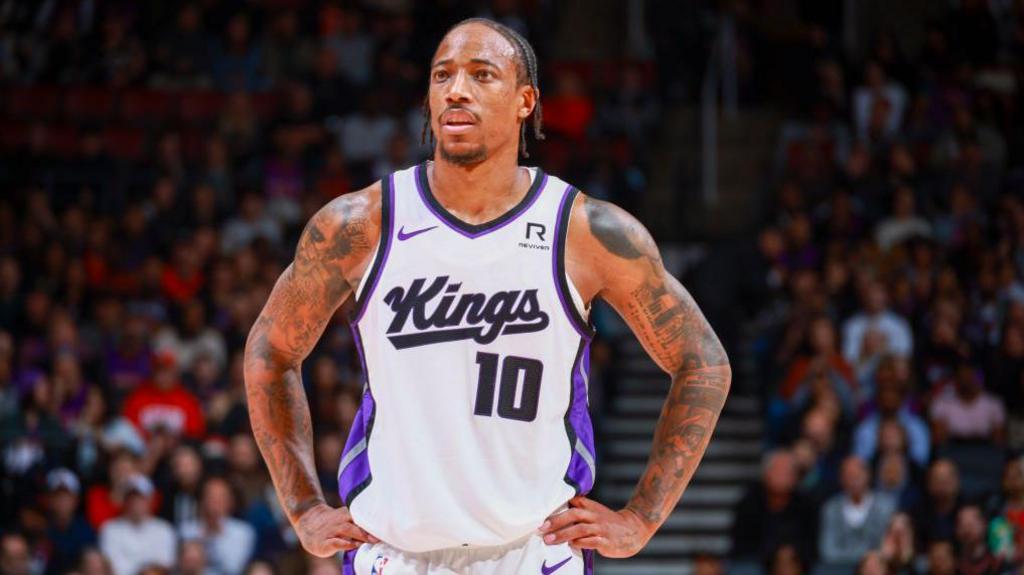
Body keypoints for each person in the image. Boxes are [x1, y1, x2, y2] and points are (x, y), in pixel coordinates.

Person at [244, 17, 730, 574]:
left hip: (533, 551)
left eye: (482, 74)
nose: (456, 89)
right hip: (396, 550)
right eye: (442, 75)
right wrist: (303, 506)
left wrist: (641, 518)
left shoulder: (586, 232)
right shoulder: (360, 225)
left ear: (526, 101)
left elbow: (703, 363)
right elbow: (270, 352)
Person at [819, 456, 897, 566]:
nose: (854, 480)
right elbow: (828, 551)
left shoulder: (885, 506)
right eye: (849, 476)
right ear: (841, 479)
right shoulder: (831, 508)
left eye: (857, 475)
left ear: (868, 475)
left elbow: (888, 549)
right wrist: (866, 556)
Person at [98, 474, 177, 575]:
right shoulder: (110, 529)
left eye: (140, 498)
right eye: (131, 498)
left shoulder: (164, 530)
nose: (136, 502)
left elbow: (163, 566)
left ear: (150, 500)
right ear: (124, 500)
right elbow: (111, 567)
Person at [179, 476, 255, 575]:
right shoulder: (187, 530)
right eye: (211, 497)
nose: (215, 502)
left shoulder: (243, 532)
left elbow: (235, 569)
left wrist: (217, 532)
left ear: (230, 502)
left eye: (221, 497)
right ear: (202, 500)